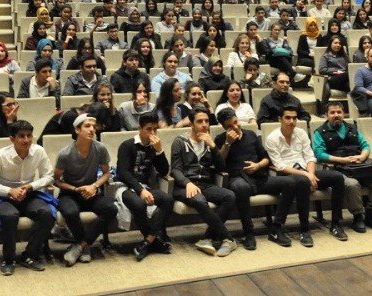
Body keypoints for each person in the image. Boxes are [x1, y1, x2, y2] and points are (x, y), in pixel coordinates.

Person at [215, 107, 301, 250]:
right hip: (238, 178)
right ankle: (248, 233)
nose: (235, 127)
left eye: (236, 122)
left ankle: (276, 228)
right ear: (224, 127)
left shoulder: (251, 135)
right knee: (240, 188)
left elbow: (267, 158)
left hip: (259, 177)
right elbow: (219, 165)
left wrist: (258, 165)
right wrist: (227, 143)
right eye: (230, 126)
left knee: (290, 182)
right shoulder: (220, 139)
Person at [0, 120, 56, 275]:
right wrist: (9, 191)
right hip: (5, 197)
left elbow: (49, 176)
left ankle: (30, 254)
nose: (26, 140)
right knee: (9, 215)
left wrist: (30, 186)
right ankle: (8, 259)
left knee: (46, 213)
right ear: (12, 138)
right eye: (21, 136)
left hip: (29, 194)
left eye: (29, 136)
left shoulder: (39, 151)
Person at [264, 103, 347, 242]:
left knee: (337, 177)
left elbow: (310, 157)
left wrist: (311, 174)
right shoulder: (272, 138)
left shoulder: (301, 133)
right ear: (280, 119)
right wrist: (307, 176)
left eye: (294, 118)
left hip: (306, 172)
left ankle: (336, 224)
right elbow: (279, 166)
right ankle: (304, 229)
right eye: (287, 118)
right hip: (287, 176)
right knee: (302, 182)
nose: (291, 121)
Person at [170, 106, 238, 257]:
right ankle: (228, 238)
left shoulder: (209, 141)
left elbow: (221, 167)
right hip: (184, 186)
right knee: (200, 200)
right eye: (200, 121)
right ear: (191, 124)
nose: (204, 124)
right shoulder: (180, 142)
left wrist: (213, 147)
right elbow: (175, 170)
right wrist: (187, 183)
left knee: (230, 196)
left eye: (206, 121)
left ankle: (206, 238)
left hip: (205, 184)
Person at [312, 102, 372, 232]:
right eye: (332, 113)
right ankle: (358, 216)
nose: (336, 115)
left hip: (360, 166)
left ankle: (370, 214)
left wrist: (362, 157)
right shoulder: (320, 132)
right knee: (352, 184)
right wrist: (342, 160)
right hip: (338, 168)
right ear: (326, 115)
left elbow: (365, 146)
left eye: (339, 112)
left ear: (343, 114)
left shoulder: (352, 128)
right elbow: (319, 155)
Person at [54, 114, 118, 266]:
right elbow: (55, 180)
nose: (92, 130)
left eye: (94, 127)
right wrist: (75, 188)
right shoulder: (65, 153)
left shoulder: (100, 148)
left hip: (91, 192)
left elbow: (107, 173)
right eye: (87, 126)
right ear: (77, 130)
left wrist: (94, 186)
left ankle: (81, 245)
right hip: (70, 193)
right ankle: (85, 245)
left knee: (111, 209)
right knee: (70, 211)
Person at [115, 111, 175, 260]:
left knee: (168, 199)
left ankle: (148, 241)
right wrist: (140, 190)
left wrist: (160, 150)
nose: (152, 133)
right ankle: (156, 242)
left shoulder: (154, 147)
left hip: (145, 187)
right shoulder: (127, 145)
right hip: (124, 187)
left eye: (155, 129)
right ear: (140, 128)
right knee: (139, 204)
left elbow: (164, 171)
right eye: (148, 129)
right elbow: (123, 173)